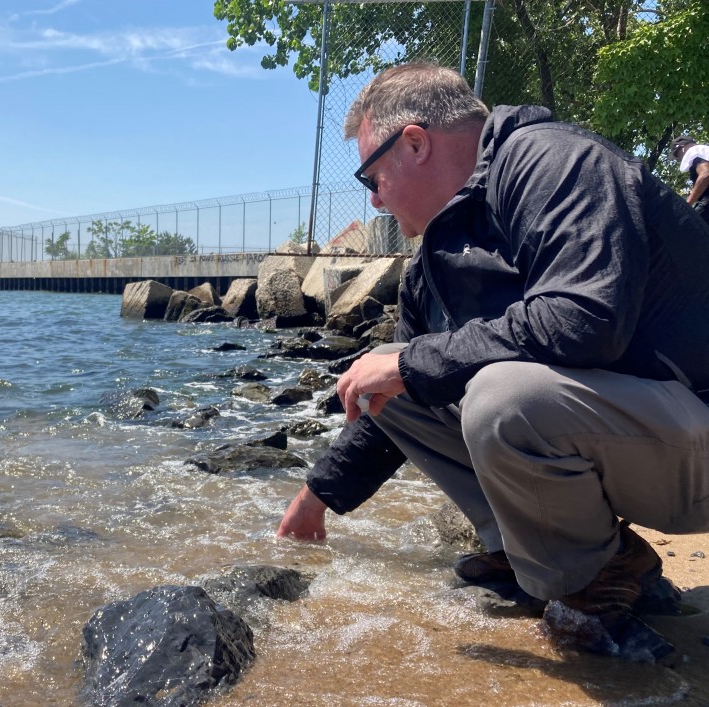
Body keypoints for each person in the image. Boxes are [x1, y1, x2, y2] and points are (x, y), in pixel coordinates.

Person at [278, 61, 709, 656]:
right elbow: (397, 395)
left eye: (371, 179)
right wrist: (316, 495)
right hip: (646, 442)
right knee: (390, 367)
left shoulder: (554, 164)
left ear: (415, 144)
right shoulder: (436, 259)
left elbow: (584, 319)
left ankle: (588, 590)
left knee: (498, 395)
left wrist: (409, 367)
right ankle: (542, 555)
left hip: (697, 439)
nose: (375, 202)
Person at [670, 134, 709, 225]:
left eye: (676, 155)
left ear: (682, 147)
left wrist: (687, 204)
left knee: (688, 226)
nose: (677, 159)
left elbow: (705, 175)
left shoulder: (694, 153)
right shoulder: (705, 151)